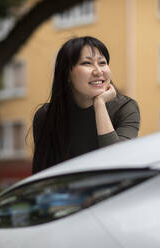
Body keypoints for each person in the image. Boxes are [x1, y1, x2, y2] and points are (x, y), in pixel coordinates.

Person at [32, 36, 140, 174]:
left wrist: (100, 105)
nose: (98, 71)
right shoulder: (46, 116)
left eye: (102, 63)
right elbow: (42, 173)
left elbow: (118, 162)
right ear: (67, 74)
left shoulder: (125, 108)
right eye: (87, 63)